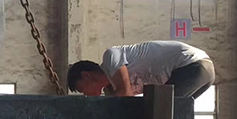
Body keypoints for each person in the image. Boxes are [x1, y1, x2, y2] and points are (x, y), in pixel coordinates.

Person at [67, 41, 215, 98]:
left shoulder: (110, 56)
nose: (85, 94)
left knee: (162, 111)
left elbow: (125, 94)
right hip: (202, 73)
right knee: (174, 115)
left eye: (82, 89)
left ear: (86, 76)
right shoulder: (112, 89)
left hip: (192, 65)